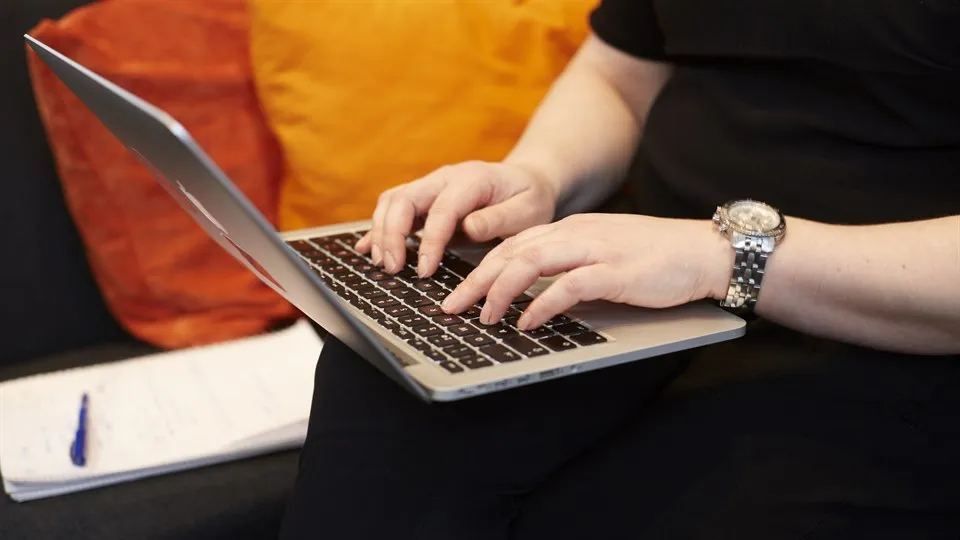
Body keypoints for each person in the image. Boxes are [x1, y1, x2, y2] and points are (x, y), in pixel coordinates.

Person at [279, 1, 960, 538]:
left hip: (877, 333)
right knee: (388, 388)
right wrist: (541, 175)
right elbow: (620, 75)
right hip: (633, 288)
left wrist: (723, 257)